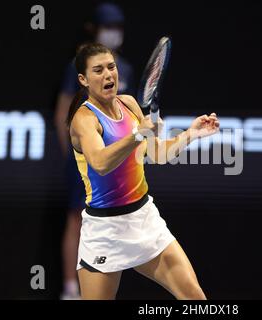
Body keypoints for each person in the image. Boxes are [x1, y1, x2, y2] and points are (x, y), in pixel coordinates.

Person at [67, 42, 219, 299]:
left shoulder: (129, 104)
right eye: (98, 70)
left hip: (144, 219)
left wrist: (192, 134)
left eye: (111, 67)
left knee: (195, 298)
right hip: (105, 231)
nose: (108, 75)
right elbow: (101, 164)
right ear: (83, 79)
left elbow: (157, 154)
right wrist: (138, 135)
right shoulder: (84, 120)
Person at [54, 2, 134, 299]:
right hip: (85, 163)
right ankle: (70, 290)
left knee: (113, 225)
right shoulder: (76, 67)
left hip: (115, 168)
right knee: (78, 220)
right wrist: (77, 158)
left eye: (117, 28)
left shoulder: (125, 69)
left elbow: (127, 121)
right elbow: (62, 113)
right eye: (107, 27)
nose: (113, 34)